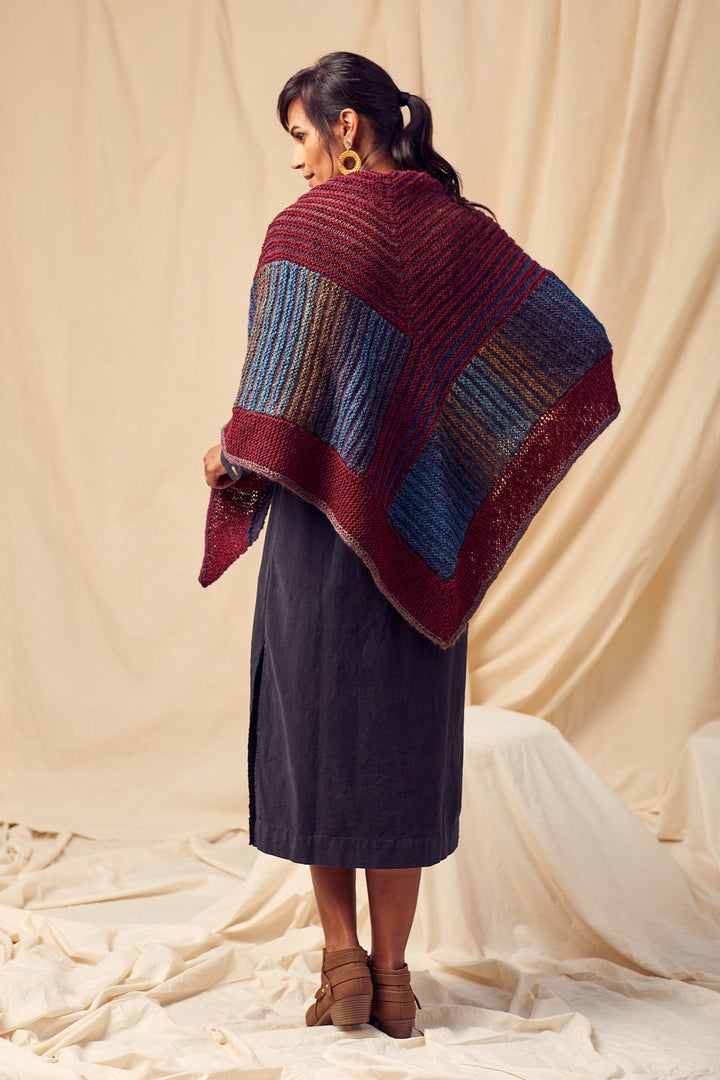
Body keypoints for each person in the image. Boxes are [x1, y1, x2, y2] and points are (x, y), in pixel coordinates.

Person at [202, 52, 619, 1039]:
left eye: (300, 135)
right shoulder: (460, 234)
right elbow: (572, 344)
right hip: (420, 540)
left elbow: (273, 398)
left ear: (345, 127)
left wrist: (226, 457)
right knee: (399, 750)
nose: (296, 160)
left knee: (317, 740)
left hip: (317, 537)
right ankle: (393, 982)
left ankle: (340, 964)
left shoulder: (305, 232)